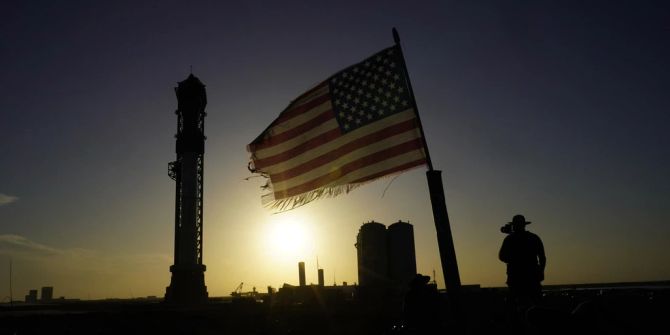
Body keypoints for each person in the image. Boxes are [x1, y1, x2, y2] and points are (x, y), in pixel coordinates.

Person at [499, 214, 546, 305]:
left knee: (515, 306)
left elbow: (502, 256)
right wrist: (541, 271)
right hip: (531, 277)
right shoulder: (534, 238)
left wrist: (513, 260)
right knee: (536, 304)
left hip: (516, 278)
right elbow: (542, 257)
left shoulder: (509, 239)